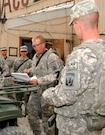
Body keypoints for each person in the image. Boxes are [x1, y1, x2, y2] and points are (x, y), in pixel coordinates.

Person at [43, 0, 105, 135]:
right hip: (97, 124)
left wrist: (48, 94)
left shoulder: (81, 55)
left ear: (77, 24)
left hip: (75, 126)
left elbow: (66, 95)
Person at [24, 35, 64, 135]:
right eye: (33, 46)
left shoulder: (52, 57)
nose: (34, 48)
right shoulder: (36, 56)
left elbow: (56, 75)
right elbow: (36, 69)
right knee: (31, 115)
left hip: (48, 93)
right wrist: (29, 71)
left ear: (43, 44)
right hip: (36, 91)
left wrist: (39, 81)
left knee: (48, 120)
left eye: (36, 46)